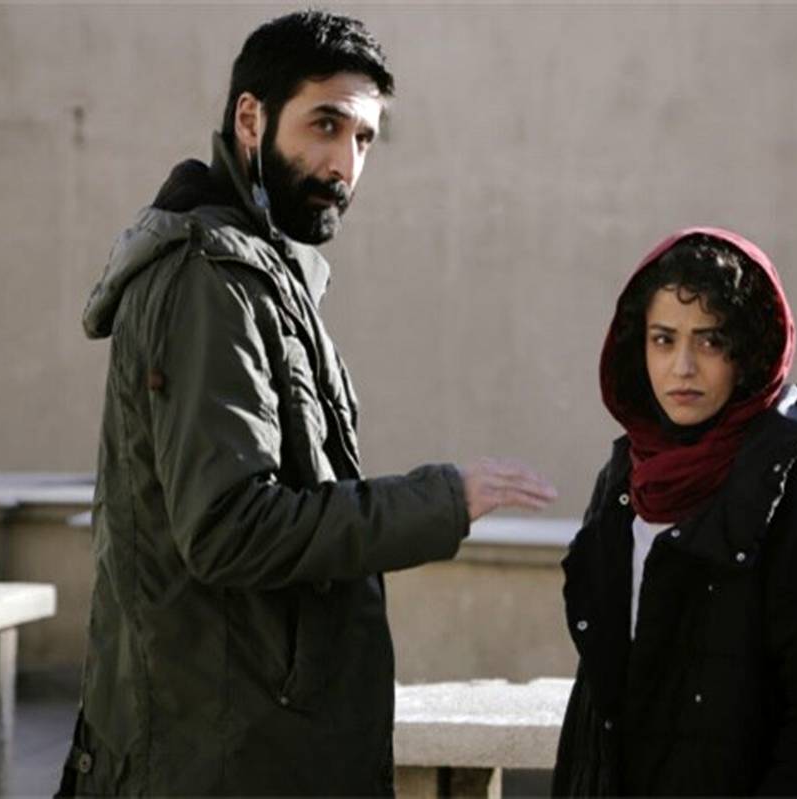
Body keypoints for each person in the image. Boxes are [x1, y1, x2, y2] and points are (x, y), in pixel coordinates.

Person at [59, 10, 556, 796]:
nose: (343, 164)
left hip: (249, 746)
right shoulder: (211, 283)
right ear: (250, 119)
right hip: (216, 762)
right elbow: (229, 526)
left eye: (364, 139)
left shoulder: (264, 276)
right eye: (325, 125)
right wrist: (439, 500)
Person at [551, 228, 797, 797]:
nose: (682, 366)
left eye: (710, 341)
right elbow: (603, 704)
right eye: (663, 340)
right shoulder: (626, 481)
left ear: (750, 351)